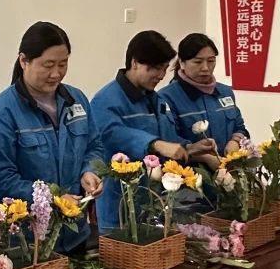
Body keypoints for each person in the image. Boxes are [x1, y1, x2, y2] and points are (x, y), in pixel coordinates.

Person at [0, 21, 104, 255]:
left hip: (75, 231)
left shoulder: (76, 100)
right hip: (27, 240)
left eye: (63, 64)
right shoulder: (1, 113)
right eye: (48, 65)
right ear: (23, 61)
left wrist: (89, 171)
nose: (56, 74)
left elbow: (93, 145)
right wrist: (52, 197)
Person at [91, 30, 215, 231]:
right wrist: (155, 144)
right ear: (134, 63)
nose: (161, 75)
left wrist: (190, 148)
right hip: (120, 207)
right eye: (155, 68)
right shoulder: (106, 100)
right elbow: (112, 134)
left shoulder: (155, 99)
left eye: (164, 69)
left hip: (156, 201)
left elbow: (168, 138)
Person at [159, 33, 250, 158]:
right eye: (198, 62)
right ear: (182, 62)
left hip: (228, 166)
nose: (206, 68)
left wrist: (235, 141)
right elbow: (168, 143)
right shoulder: (166, 98)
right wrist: (202, 157)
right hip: (191, 169)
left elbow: (240, 128)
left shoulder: (225, 92)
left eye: (211, 61)